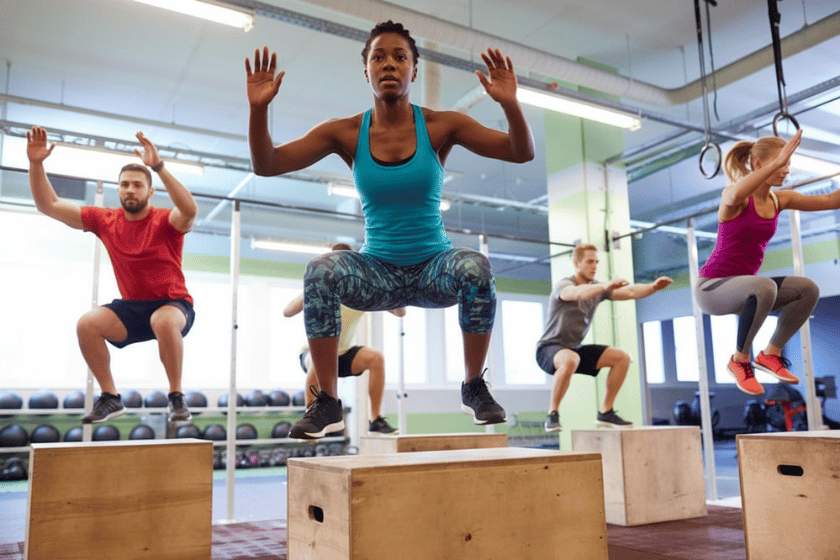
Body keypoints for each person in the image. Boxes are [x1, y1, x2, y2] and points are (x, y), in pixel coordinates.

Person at [247, 20, 534, 439]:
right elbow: (267, 164)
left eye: (400, 57)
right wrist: (258, 110)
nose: (389, 64)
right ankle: (327, 401)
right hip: (377, 274)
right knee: (320, 270)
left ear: (414, 70)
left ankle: (474, 386)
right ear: (365, 70)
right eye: (378, 57)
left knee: (476, 267)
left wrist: (510, 105)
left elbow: (520, 152)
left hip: (434, 269)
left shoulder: (440, 125)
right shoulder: (346, 132)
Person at [27, 126, 198, 424]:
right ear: (118, 190)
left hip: (173, 306)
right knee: (87, 324)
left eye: (137, 185)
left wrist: (158, 166)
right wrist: (36, 164)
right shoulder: (105, 220)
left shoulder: (165, 221)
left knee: (162, 320)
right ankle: (110, 397)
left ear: (150, 192)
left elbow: (190, 210)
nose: (130, 189)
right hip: (133, 307)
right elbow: (48, 205)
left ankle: (176, 396)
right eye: (124, 185)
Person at [694, 129, 830, 395]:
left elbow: (829, 200)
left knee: (807, 289)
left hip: (748, 290)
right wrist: (778, 161)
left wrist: (779, 162)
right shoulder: (735, 197)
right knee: (764, 286)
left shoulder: (779, 199)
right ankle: (739, 360)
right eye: (781, 163)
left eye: (788, 163)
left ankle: (770, 354)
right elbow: (733, 194)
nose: (786, 170)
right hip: (711, 289)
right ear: (757, 164)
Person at [536, 244, 672, 432]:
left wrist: (653, 287)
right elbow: (577, 293)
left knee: (622, 358)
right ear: (576, 263)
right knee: (570, 358)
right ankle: (553, 414)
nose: (594, 266)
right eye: (589, 262)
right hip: (548, 349)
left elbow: (630, 292)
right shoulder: (565, 285)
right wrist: (604, 286)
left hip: (574, 350)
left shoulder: (598, 290)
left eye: (596, 262)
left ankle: (605, 412)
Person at [284, 244, 403, 435]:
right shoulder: (321, 286)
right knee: (316, 361)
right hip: (313, 353)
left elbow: (400, 312)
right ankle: (312, 417)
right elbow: (287, 311)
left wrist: (391, 284)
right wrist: (311, 289)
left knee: (376, 358)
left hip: (344, 355)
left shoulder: (363, 291)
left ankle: (375, 420)